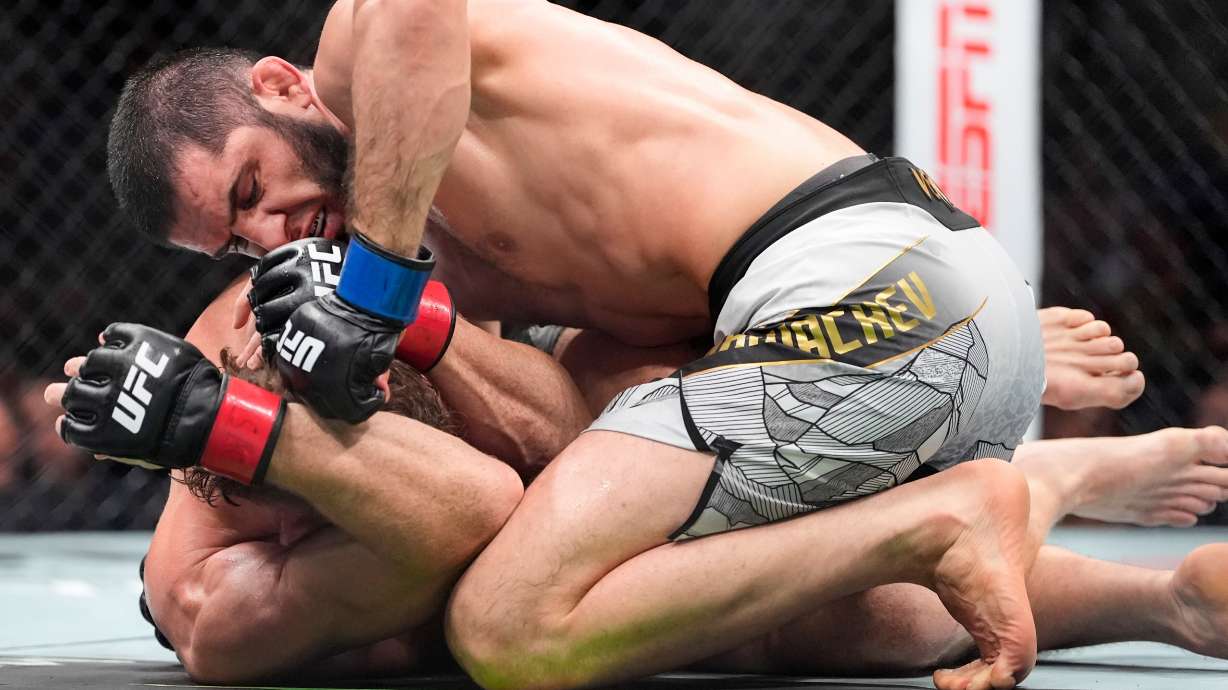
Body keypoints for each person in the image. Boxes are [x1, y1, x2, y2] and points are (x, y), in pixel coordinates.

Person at [75, 2, 1183, 688]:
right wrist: (403, 312)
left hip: (859, 290)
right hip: (885, 318)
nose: (268, 234)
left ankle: (962, 503)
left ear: (279, 87)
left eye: (254, 188)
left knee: (511, 625)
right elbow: (597, 407)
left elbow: (412, 18)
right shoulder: (472, 273)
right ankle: (1156, 588)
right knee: (709, 602)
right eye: (234, 238)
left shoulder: (366, 61)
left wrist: (375, 285)